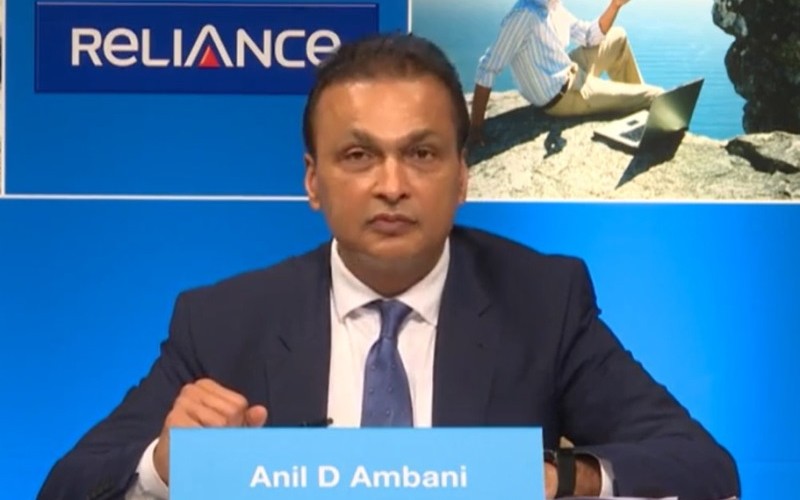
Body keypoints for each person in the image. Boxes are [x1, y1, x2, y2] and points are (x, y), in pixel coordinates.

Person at [38, 33, 739, 500]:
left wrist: (559, 479)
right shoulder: (222, 321)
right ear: (312, 182)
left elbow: (706, 469)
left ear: (462, 176)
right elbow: (65, 486)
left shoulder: (543, 301)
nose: (392, 185)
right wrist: (163, 468)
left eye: (422, 154)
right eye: (358, 155)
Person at [469, 0, 663, 145]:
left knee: (618, 36)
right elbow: (488, 68)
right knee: (655, 96)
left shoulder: (553, 6)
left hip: (570, 70)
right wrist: (476, 127)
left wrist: (615, 6)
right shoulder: (524, 15)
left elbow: (589, 35)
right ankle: (643, 103)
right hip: (565, 96)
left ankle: (637, 108)